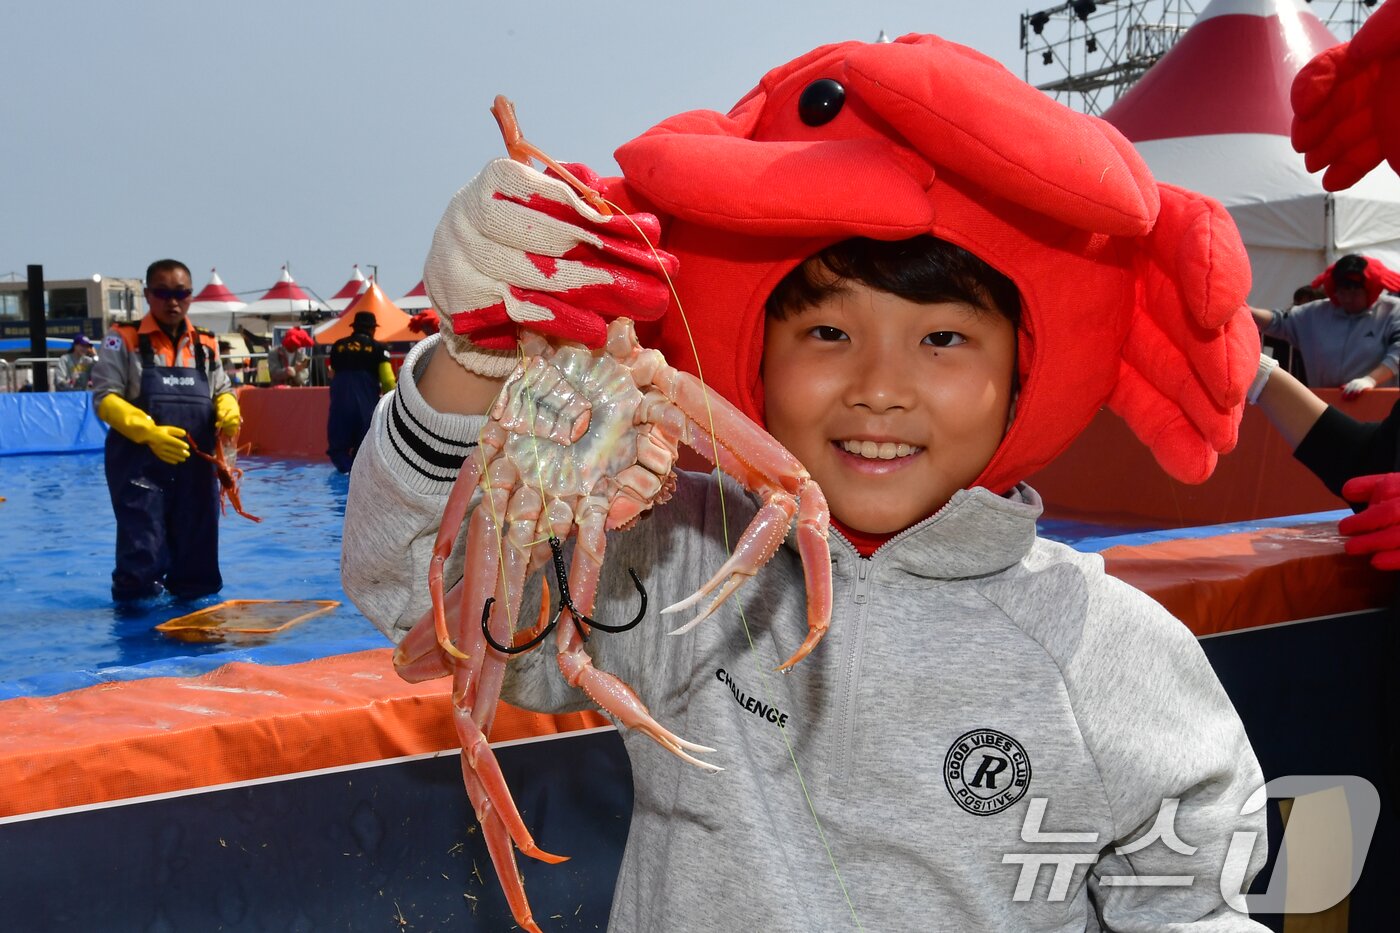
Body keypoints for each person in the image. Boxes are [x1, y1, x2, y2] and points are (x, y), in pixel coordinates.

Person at [342, 35, 1269, 930]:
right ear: (756, 357)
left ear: (1024, 375)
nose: (877, 388)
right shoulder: (667, 560)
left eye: (943, 338)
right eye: (826, 333)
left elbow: (1189, 905)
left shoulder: (1115, 653)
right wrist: (474, 362)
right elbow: (419, 592)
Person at [90, 259, 240, 601]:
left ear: (190, 296)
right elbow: (104, 398)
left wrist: (229, 408)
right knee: (143, 553)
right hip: (140, 469)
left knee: (198, 562)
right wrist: (149, 433)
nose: (172, 301)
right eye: (162, 293)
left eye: (181, 293)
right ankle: (136, 638)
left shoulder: (205, 344)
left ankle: (197, 637)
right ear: (147, 295)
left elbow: (223, 390)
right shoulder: (122, 339)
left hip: (196, 470)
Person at [1248, 253, 1400, 396]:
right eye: (1342, 292)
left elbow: (1397, 353)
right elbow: (1278, 321)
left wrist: (1370, 380)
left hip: (1375, 401)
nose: (1347, 298)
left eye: (1355, 292)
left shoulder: (1392, 311)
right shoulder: (1315, 312)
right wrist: (1246, 310)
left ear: (1370, 290)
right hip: (1325, 404)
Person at [326, 311, 394, 472]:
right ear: (372, 329)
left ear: (354, 328)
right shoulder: (379, 349)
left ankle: (346, 470)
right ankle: (358, 476)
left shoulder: (338, 346)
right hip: (366, 405)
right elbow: (388, 380)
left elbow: (332, 374)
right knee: (364, 447)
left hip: (340, 404)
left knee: (338, 449)